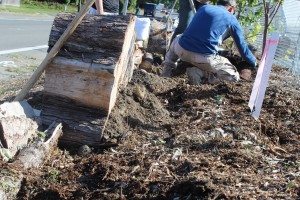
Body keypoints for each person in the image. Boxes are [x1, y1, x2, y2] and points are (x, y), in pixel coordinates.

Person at [161, 0, 257, 84]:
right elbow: (242, 48)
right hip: (203, 58)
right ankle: (201, 74)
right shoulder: (231, 19)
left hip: (180, 49)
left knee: (179, 37)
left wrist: (219, 51)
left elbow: (199, 37)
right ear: (231, 9)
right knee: (233, 77)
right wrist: (253, 62)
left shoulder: (204, 8)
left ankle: (167, 70)